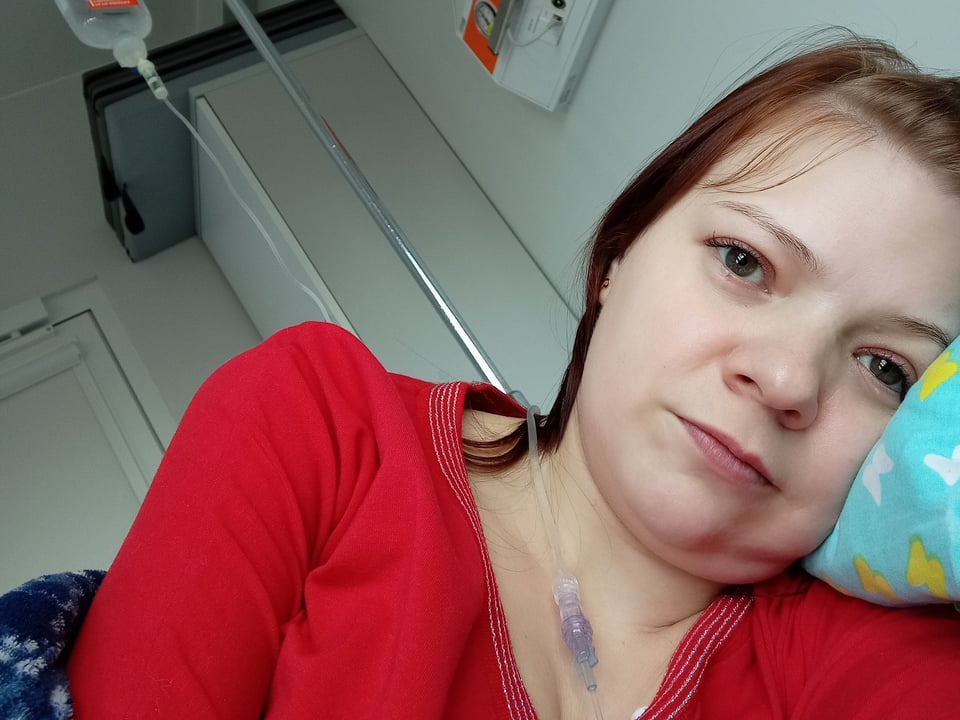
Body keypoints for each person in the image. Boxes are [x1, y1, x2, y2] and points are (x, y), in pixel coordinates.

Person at [68, 34, 960, 719]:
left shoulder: (859, 652)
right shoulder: (321, 426)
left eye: (886, 368)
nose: (787, 378)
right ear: (618, 259)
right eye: (743, 261)